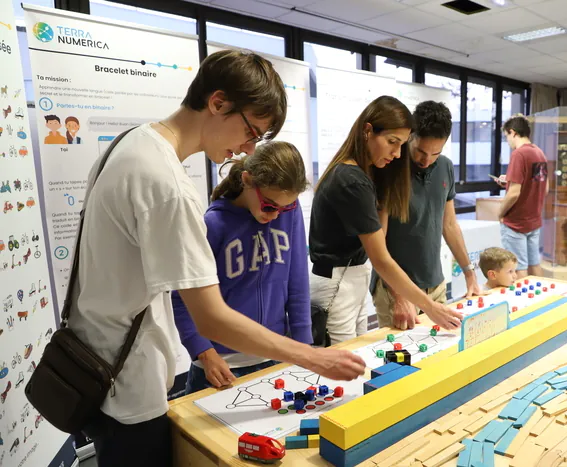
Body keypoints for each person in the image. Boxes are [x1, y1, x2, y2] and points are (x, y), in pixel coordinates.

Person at [67, 50, 365, 467]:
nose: (247, 147)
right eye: (252, 131)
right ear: (218, 102)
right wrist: (313, 355)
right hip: (128, 384)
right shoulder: (167, 182)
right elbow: (211, 317)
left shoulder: (129, 144)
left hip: (99, 369)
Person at [309, 95, 463, 345]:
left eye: (401, 144)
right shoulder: (351, 180)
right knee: (343, 363)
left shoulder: (361, 174)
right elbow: (381, 258)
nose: (396, 153)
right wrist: (430, 307)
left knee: (359, 357)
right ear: (368, 131)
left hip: (352, 277)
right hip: (337, 284)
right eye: (393, 142)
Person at [172, 141, 312, 394]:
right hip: (221, 367)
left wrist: (303, 345)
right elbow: (182, 298)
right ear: (247, 180)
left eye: (285, 207)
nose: (276, 216)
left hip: (274, 357)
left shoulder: (288, 211)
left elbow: (297, 280)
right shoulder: (213, 224)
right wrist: (204, 353)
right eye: (269, 205)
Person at [371, 101, 480, 330]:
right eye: (421, 151)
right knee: (402, 360)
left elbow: (449, 225)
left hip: (436, 285)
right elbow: (378, 242)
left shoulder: (446, 167)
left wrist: (469, 272)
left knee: (444, 353)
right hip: (396, 290)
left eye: (435, 153)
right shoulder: (390, 167)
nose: (426, 160)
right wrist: (399, 294)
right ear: (410, 136)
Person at [496, 114, 548, 279]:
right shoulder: (539, 153)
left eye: (507, 137)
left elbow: (514, 193)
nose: (508, 141)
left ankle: (524, 304)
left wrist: (500, 213)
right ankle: (541, 299)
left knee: (518, 269)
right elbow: (543, 188)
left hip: (516, 223)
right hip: (533, 220)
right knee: (534, 265)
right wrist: (509, 182)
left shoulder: (519, 154)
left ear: (513, 132)